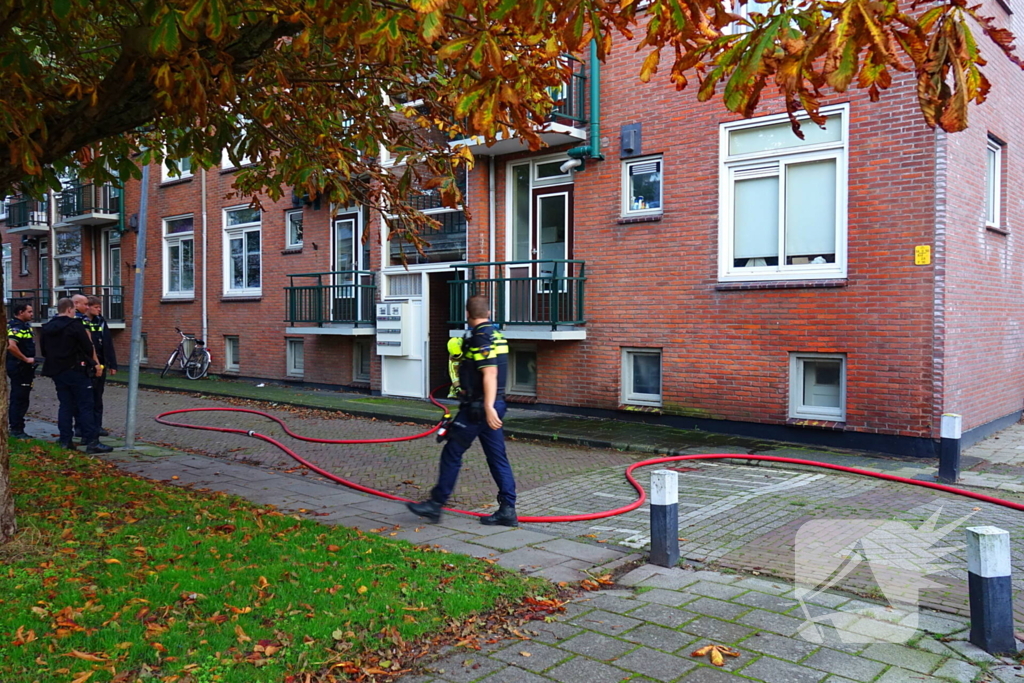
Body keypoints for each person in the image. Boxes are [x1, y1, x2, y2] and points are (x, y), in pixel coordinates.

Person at [408, 295, 517, 526]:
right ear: (488, 313)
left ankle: (435, 505)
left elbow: (490, 373)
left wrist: (487, 407)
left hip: (480, 408)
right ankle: (508, 509)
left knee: (452, 452)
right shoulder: (497, 334)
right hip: (492, 404)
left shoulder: (480, 337)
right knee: (497, 457)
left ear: (468, 315)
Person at [39, 298, 112, 453]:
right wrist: (96, 365)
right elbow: (87, 347)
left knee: (65, 406)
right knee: (86, 405)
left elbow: (44, 351)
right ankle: (92, 441)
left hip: (58, 372)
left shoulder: (47, 327)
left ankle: (65, 440)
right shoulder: (75, 326)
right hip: (77, 370)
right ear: (69, 309)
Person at [81, 295, 117, 437]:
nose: (99, 309)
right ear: (88, 307)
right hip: (86, 364)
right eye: (96, 307)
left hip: (100, 363)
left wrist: (112, 364)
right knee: (85, 398)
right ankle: (82, 427)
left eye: (99, 307)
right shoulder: (81, 322)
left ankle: (97, 426)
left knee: (98, 396)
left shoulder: (101, 321)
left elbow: (108, 343)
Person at [6, 303, 36, 439]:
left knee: (22, 398)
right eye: (29, 311)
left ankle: (18, 427)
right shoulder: (16, 327)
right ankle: (16, 429)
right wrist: (25, 359)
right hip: (19, 367)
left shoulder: (24, 326)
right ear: (20, 312)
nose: (31, 314)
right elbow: (11, 346)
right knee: (19, 398)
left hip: (23, 367)